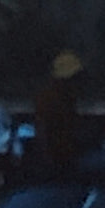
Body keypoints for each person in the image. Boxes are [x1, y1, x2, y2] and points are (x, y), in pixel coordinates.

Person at [32, 50, 84, 179]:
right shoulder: (52, 97)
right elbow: (44, 128)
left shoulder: (66, 96)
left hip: (64, 155)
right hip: (56, 158)